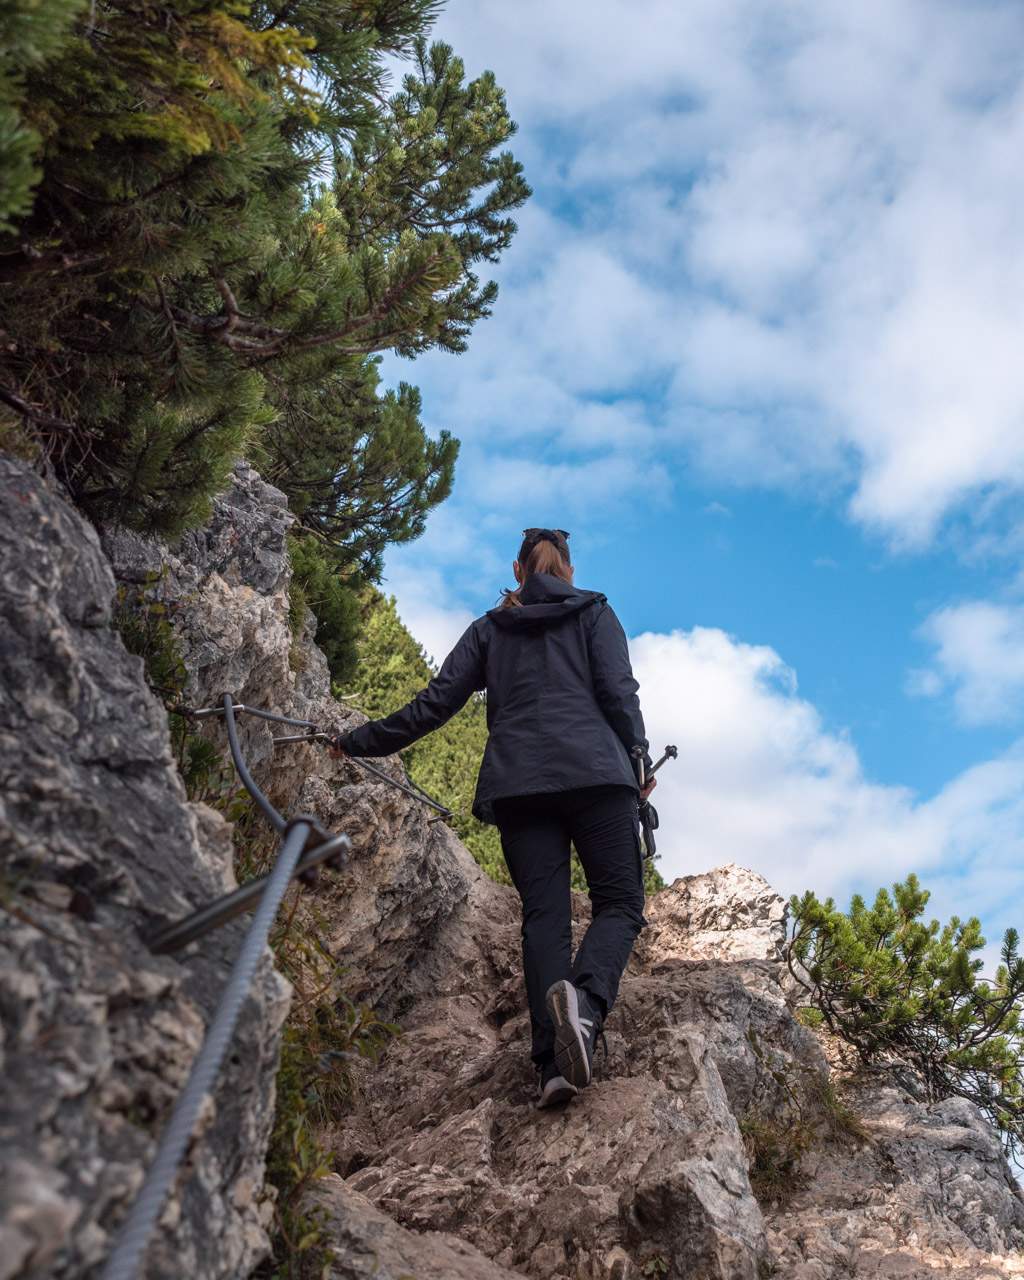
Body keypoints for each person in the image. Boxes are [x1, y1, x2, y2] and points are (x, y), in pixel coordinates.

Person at [328, 527, 656, 1109]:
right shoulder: (594, 613)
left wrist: (356, 741)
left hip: (519, 785)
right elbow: (619, 692)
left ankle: (552, 1069)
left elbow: (434, 705)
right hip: (597, 776)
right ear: (570, 571)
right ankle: (584, 1010)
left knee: (544, 918)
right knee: (621, 902)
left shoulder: (488, 630)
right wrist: (638, 759)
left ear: (517, 570)